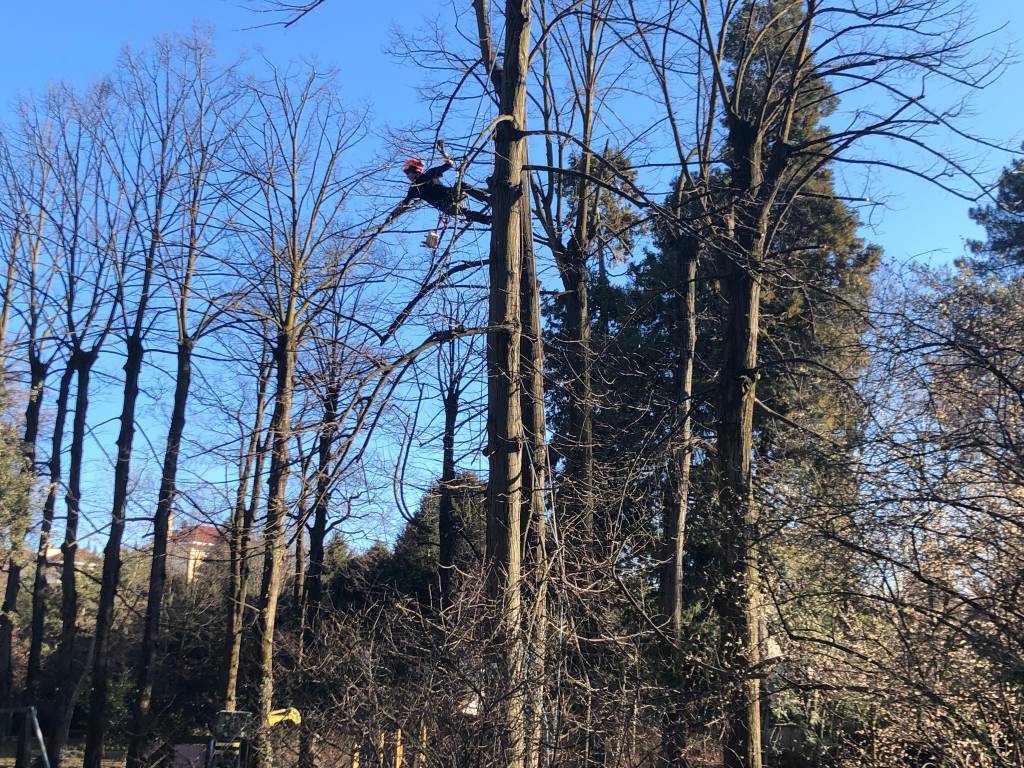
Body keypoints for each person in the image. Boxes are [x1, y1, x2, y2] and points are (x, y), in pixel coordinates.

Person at [399, 146, 492, 225]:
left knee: (461, 187)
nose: (407, 176)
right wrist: (389, 219)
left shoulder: (429, 175)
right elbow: (404, 204)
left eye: (408, 172)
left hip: (452, 197)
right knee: (463, 210)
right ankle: (488, 218)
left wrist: (442, 151)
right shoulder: (414, 188)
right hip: (448, 206)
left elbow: (449, 164)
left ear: (414, 170)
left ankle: (488, 200)